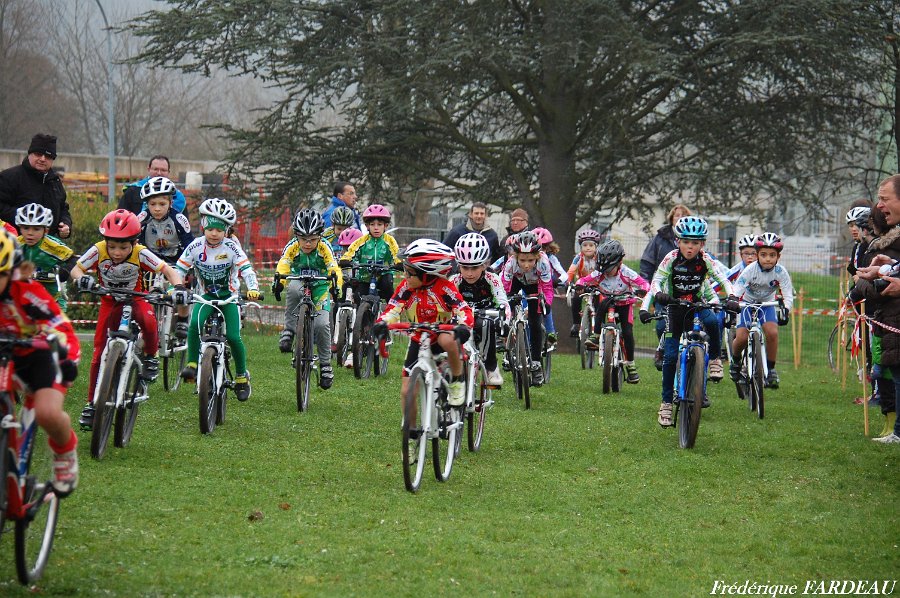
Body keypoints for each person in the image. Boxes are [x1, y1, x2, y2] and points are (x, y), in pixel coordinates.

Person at [71, 209, 187, 429]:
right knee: (98, 352)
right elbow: (76, 269)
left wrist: (178, 287)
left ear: (134, 242)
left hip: (136, 298)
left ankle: (151, 357)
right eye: (112, 246)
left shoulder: (141, 253)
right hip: (109, 300)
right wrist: (82, 279)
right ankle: (92, 404)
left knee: (149, 322)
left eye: (123, 247)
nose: (116, 252)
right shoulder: (98, 249)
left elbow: (167, 270)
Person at [0, 230, 80, 495]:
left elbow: (60, 326)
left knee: (47, 413)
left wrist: (66, 357)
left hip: (38, 356)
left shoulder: (27, 293)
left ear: (13, 271)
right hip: (4, 356)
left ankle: (65, 452)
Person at [638, 216, 736, 427]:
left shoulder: (705, 259)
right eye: (685, 242)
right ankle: (666, 403)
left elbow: (722, 278)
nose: (690, 247)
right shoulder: (671, 258)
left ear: (702, 244)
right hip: (675, 307)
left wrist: (732, 297)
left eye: (695, 243)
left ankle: (715, 359)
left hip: (697, 304)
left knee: (713, 322)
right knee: (670, 357)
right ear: (678, 241)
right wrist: (654, 300)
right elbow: (656, 281)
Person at [175, 199, 261, 402]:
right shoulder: (195, 246)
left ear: (226, 231)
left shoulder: (232, 247)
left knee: (233, 336)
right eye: (210, 228)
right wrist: (175, 287)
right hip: (205, 296)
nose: (214, 233)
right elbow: (179, 269)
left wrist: (253, 289)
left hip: (228, 297)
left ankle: (241, 376)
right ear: (203, 226)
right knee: (194, 324)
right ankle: (192, 364)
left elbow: (246, 269)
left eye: (219, 230)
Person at [372, 239, 473, 408]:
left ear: (426, 274)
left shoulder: (445, 287)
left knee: (447, 340)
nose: (405, 276)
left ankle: (457, 381)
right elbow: (393, 309)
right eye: (405, 271)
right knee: (407, 392)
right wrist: (382, 322)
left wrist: (464, 326)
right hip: (418, 338)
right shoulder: (406, 287)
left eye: (410, 273)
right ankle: (409, 425)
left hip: (442, 333)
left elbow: (463, 309)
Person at [272, 208, 342, 390]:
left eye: (312, 239)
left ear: (320, 236)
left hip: (320, 286)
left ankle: (325, 365)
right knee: (293, 289)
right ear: (297, 236)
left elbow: (334, 268)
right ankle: (289, 330)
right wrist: (279, 281)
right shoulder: (292, 246)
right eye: (303, 239)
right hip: (299, 280)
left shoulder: (324, 247)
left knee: (322, 325)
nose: (308, 243)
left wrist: (336, 286)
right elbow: (284, 263)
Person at [575, 239, 649, 383]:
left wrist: (642, 290)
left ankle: (630, 364)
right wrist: (580, 286)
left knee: (627, 332)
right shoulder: (599, 272)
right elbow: (583, 280)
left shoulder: (626, 272)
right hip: (608, 302)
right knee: (601, 306)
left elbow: (644, 283)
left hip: (625, 303)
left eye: (609, 269)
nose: (606, 273)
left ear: (619, 263)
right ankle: (596, 335)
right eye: (603, 269)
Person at [337, 204, 401, 367]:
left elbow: (396, 254)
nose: (376, 228)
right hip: (365, 277)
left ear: (386, 226)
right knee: (359, 299)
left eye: (380, 224)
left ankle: (390, 314)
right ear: (367, 226)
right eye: (372, 224)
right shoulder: (362, 241)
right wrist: (346, 260)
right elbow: (351, 252)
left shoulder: (389, 241)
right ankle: (364, 326)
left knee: (388, 287)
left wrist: (398, 263)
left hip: (382, 276)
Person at [728, 233, 794, 389]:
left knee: (772, 332)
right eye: (763, 255)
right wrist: (733, 299)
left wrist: (786, 309)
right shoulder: (750, 270)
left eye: (772, 255)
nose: (768, 259)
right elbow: (738, 287)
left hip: (767, 304)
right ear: (757, 255)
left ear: (778, 256)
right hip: (747, 303)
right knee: (742, 337)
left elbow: (787, 293)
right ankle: (735, 361)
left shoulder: (781, 272)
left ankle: (771, 370)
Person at [450, 233, 508, 386]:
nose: (469, 273)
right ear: (458, 265)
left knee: (485, 324)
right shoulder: (454, 280)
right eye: (465, 267)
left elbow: (503, 302)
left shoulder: (492, 278)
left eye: (475, 267)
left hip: (486, 315)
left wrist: (505, 319)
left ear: (484, 265)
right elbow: (445, 304)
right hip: (463, 317)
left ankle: (491, 367)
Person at [639, 204, 691, 368]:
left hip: (688, 288)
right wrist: (645, 282)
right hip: (664, 289)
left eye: (683, 216)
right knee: (663, 324)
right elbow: (648, 261)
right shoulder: (660, 238)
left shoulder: (694, 240)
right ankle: (663, 350)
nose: (680, 218)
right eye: (677, 215)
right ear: (671, 218)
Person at [501, 231, 554, 386]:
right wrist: (504, 304)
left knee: (535, 322)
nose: (526, 265)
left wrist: (547, 303)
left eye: (530, 260)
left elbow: (548, 288)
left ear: (537, 256)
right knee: (507, 309)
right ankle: (507, 346)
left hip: (535, 286)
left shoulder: (543, 262)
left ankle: (536, 364)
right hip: (516, 282)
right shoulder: (510, 263)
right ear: (516, 256)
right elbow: (504, 287)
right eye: (522, 260)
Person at [0, 134, 72, 239]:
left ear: (53, 160)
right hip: (14, 242)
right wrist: (24, 216)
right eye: (38, 154)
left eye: (48, 156)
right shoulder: (9, 177)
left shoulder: (54, 181)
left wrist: (65, 224)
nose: (42, 159)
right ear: (29, 154)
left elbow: (63, 208)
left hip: (47, 245)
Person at [15, 203, 76, 310]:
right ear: (20, 228)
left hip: (53, 298)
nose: (30, 233)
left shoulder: (51, 245)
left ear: (45, 230)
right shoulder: (15, 244)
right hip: (25, 297)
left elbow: (73, 260)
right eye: (26, 228)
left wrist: (65, 271)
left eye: (36, 229)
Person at [137, 177, 194, 266]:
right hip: (150, 263)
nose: (157, 209)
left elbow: (189, 245)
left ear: (170, 203)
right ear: (147, 204)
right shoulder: (142, 219)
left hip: (175, 262)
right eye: (152, 204)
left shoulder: (179, 219)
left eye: (162, 204)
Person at [118, 155, 188, 215]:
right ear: (149, 169)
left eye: (163, 170)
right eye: (155, 169)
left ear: (168, 172)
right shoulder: (133, 190)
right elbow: (120, 217)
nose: (159, 173)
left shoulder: (177, 196)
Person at [532, 227, 565, 344]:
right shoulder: (527, 258)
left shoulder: (551, 258)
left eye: (543, 248)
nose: (540, 251)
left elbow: (564, 274)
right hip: (529, 286)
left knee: (545, 305)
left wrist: (557, 280)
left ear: (548, 248)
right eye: (537, 247)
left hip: (545, 286)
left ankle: (551, 331)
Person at [566, 229, 601, 337]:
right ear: (581, 247)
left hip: (598, 285)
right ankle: (576, 324)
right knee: (576, 298)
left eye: (591, 245)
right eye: (585, 245)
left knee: (599, 304)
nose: (588, 248)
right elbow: (571, 271)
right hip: (583, 285)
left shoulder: (600, 257)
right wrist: (568, 282)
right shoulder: (578, 257)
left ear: (596, 246)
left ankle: (599, 326)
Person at [846, 205, 873, 281]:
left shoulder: (872, 247)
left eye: (857, 224)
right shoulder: (856, 247)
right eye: (851, 225)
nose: (854, 229)